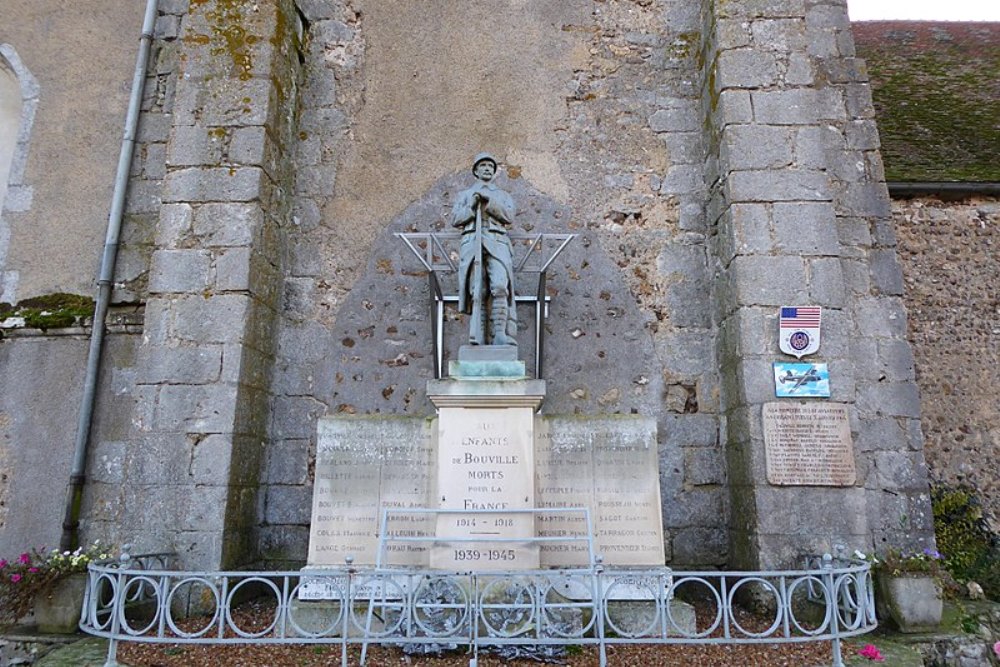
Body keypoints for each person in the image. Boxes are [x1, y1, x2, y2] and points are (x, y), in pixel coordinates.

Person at [451, 153, 517, 346]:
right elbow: (455, 219)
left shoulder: (503, 195)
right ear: (476, 171)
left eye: (490, 166)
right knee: (476, 291)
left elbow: (508, 215)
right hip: (472, 242)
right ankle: (478, 334)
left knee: (499, 287)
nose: (487, 168)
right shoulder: (464, 195)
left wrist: (489, 201)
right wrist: (471, 206)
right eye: (483, 166)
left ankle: (499, 334)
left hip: (497, 242)